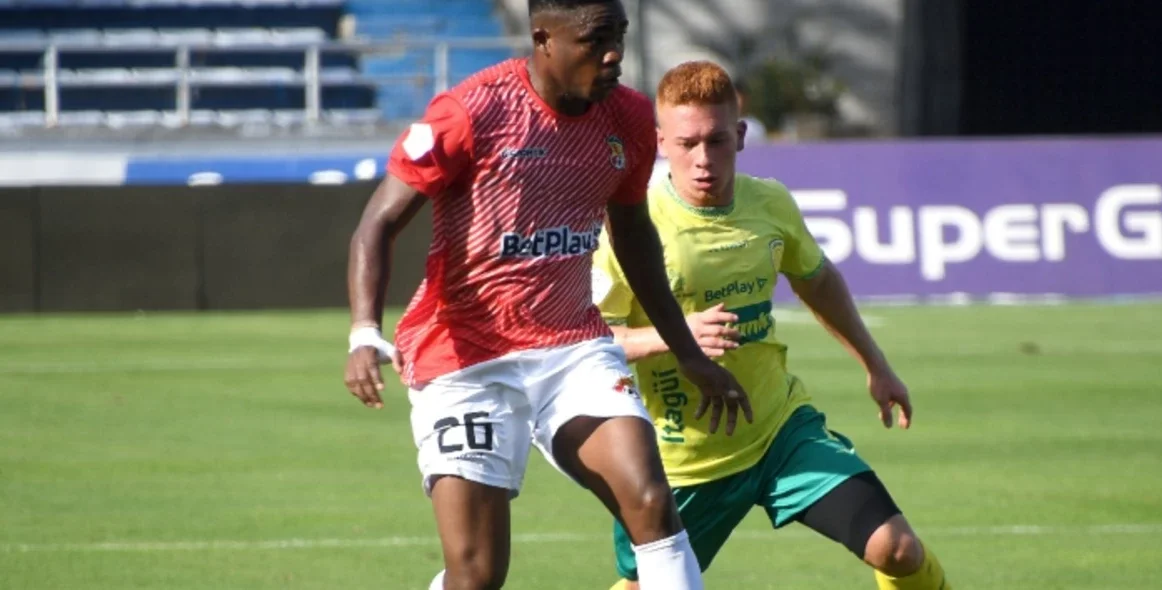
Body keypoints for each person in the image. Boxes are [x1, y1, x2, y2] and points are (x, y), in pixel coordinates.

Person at [342, 2, 752, 588]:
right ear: (543, 38)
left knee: (652, 503)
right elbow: (376, 224)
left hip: (572, 349)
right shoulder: (471, 112)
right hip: (465, 361)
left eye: (619, 36)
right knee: (477, 575)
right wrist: (364, 332)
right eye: (595, 40)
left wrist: (687, 352)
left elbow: (633, 234)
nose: (613, 54)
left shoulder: (628, 117)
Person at [593, 60, 951, 590]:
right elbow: (590, 340)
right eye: (687, 143)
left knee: (896, 548)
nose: (703, 159)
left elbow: (817, 279)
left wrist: (875, 365)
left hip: (779, 432)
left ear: (740, 136)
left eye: (716, 140)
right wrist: (676, 336)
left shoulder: (770, 203)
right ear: (660, 142)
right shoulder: (629, 226)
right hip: (685, 462)